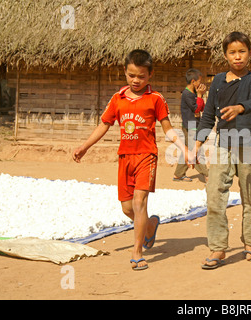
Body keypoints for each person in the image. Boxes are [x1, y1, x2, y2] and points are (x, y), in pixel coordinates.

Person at [72, 49, 189, 271]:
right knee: (127, 209)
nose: (136, 80)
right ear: (125, 72)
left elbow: (168, 129)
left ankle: (137, 252)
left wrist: (184, 149)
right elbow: (104, 125)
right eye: (131, 75)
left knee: (139, 202)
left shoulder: (155, 99)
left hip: (147, 156)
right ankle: (150, 225)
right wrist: (85, 146)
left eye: (141, 76)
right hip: (125, 157)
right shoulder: (117, 99)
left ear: (150, 75)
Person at [193, 31, 251, 269]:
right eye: (232, 52)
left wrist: (240, 108)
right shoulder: (218, 82)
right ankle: (217, 248)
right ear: (225, 55)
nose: (237, 57)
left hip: (248, 143)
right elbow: (208, 115)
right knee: (214, 195)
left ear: (250, 53)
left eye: (242, 51)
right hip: (223, 144)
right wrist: (197, 144)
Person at [173, 68, 209, 183]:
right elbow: (197, 108)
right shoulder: (187, 94)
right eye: (199, 81)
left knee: (190, 150)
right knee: (197, 151)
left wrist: (200, 96)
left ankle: (178, 174)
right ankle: (207, 175)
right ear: (193, 81)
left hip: (195, 124)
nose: (200, 83)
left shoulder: (193, 94)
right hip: (190, 125)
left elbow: (201, 107)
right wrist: (199, 95)